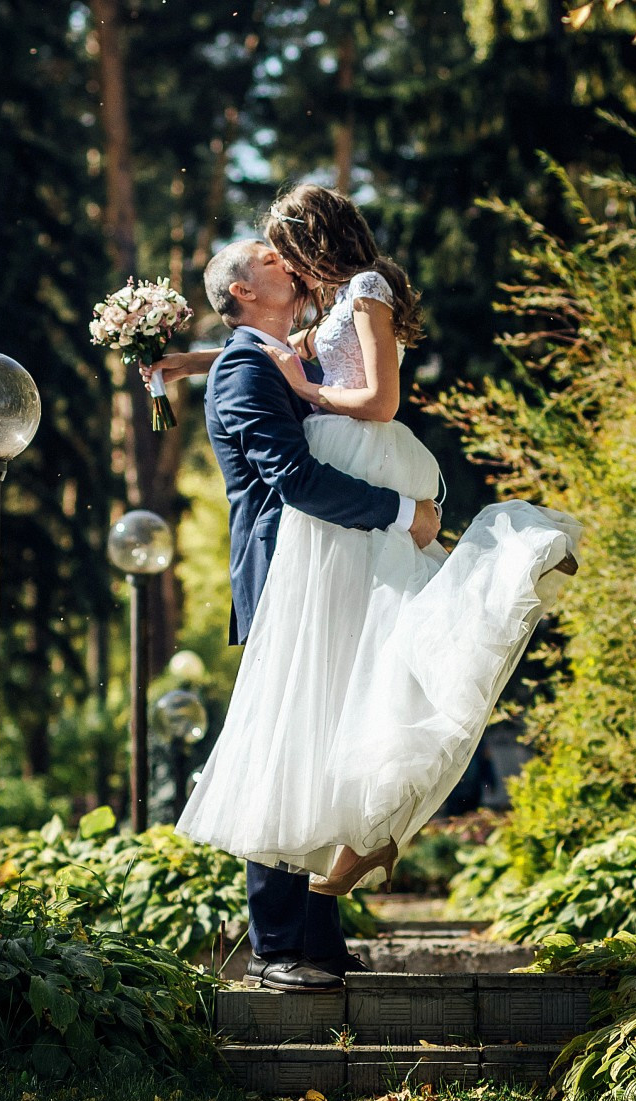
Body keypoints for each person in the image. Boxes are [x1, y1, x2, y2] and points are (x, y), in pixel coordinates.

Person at [158, 186, 581, 990]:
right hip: (301, 571)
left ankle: (315, 938)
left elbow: (286, 362)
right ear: (244, 290)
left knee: (335, 739)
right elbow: (297, 478)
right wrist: (400, 512)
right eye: (268, 259)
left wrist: (189, 360)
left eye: (286, 247)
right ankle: (280, 944)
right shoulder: (259, 361)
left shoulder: (289, 340)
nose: (284, 261)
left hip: (337, 568)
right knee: (293, 743)